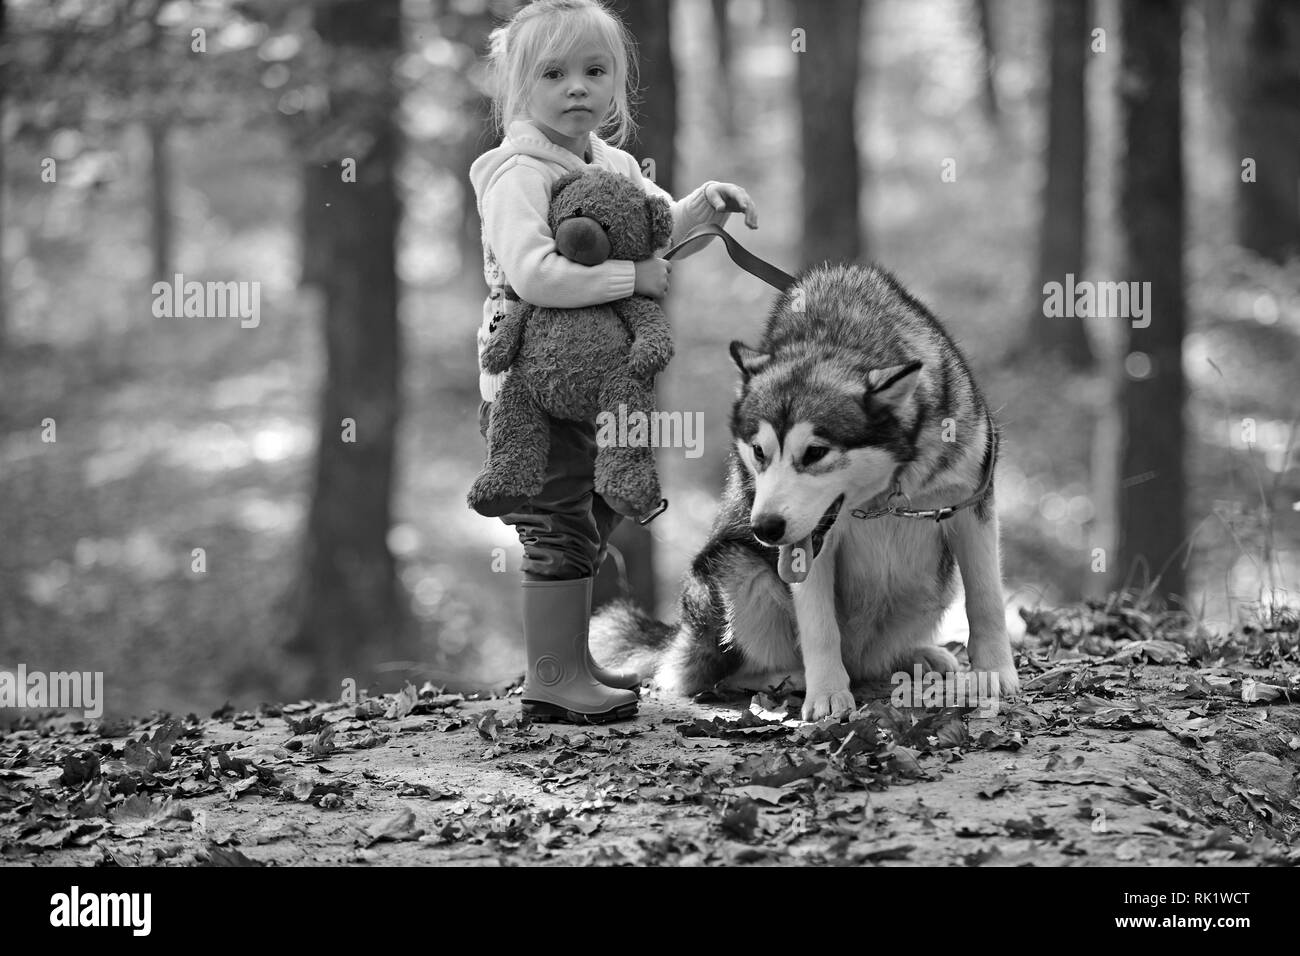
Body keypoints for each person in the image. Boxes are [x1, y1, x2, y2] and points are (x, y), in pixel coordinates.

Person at [469, 0, 758, 724]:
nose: (577, 88)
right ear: (519, 90)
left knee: (595, 514)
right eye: (554, 74)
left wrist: (700, 207)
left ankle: (572, 659)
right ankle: (551, 678)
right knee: (556, 520)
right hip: (529, 391)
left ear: (617, 84)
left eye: (595, 71)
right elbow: (535, 274)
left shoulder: (616, 164)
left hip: (600, 391)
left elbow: (653, 230)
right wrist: (633, 282)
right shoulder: (516, 174)